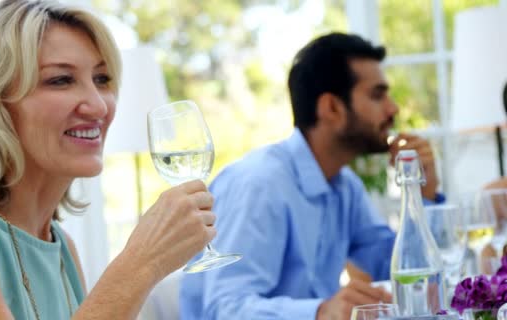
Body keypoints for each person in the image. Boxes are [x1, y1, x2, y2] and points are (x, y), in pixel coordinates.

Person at [0, 1, 217, 319]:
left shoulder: (60, 245)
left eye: (102, 79)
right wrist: (143, 261)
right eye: (61, 80)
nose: (98, 105)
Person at [180, 32, 443, 320]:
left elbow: (396, 268)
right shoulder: (260, 183)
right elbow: (225, 310)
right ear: (331, 107)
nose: (393, 108)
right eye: (377, 95)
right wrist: (320, 312)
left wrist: (423, 192)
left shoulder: (344, 186)